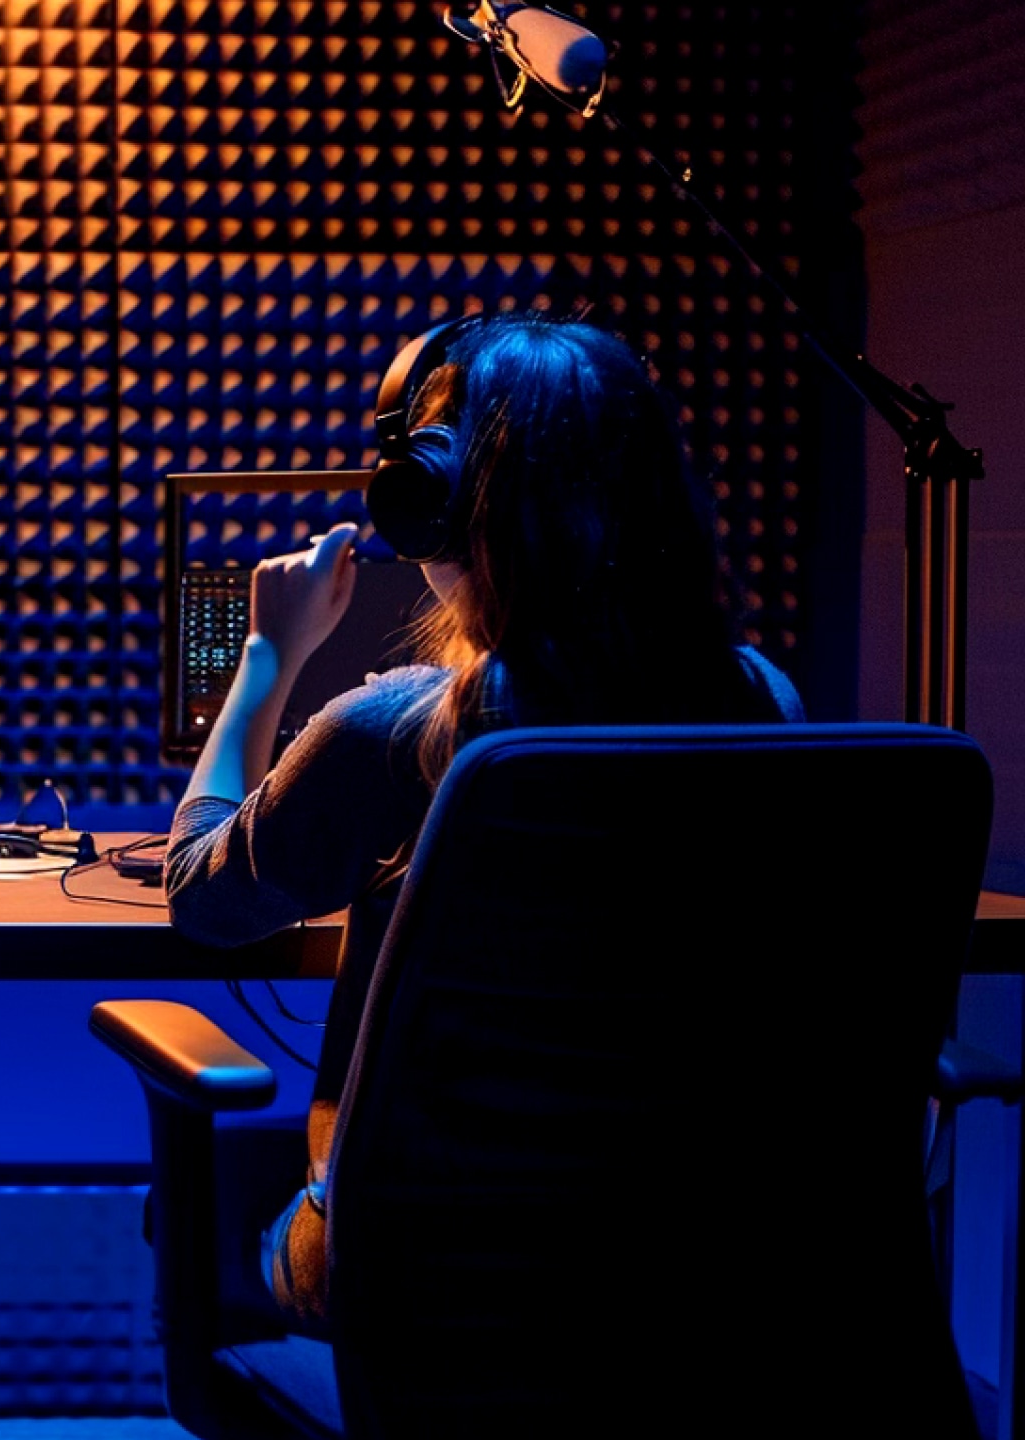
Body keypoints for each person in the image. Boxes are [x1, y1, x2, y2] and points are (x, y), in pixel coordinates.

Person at [159, 307, 804, 1332]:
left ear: (436, 503)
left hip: (422, 1275)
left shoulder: (399, 733)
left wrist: (267, 658)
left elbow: (204, 898)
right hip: (694, 1264)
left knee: (202, 1194)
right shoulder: (763, 703)